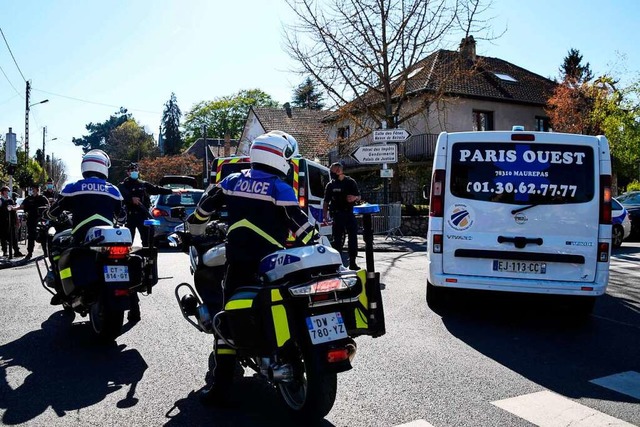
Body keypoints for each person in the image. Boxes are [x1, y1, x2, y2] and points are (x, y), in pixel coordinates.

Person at [187, 130, 316, 406]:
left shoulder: (231, 181)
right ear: (279, 157)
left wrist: (194, 227)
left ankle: (221, 389)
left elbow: (203, 210)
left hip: (238, 263)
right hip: (272, 264)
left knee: (225, 321)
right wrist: (315, 241)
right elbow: (302, 227)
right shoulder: (280, 188)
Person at [47, 150, 125, 305]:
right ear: (104, 167)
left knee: (57, 250)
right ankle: (134, 305)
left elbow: (53, 212)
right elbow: (122, 216)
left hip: (80, 237)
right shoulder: (113, 190)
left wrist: (49, 216)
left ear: (84, 166)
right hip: (108, 239)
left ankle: (63, 292)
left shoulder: (72, 188)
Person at [118, 162, 173, 247]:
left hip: (143, 215)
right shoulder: (123, 185)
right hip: (129, 216)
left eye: (136, 170)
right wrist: (130, 199)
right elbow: (119, 197)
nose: (135, 172)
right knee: (127, 241)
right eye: (132, 170)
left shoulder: (143, 184)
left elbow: (156, 189)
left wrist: (171, 191)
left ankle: (147, 258)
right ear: (128, 172)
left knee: (147, 240)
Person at [323, 162, 361, 270]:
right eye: (331, 171)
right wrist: (324, 215)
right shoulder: (331, 185)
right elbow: (326, 201)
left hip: (349, 213)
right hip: (337, 214)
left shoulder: (350, 182)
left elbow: (358, 196)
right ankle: (338, 264)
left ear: (340, 170)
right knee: (337, 240)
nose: (332, 173)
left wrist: (354, 198)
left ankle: (353, 262)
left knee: (353, 238)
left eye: (333, 170)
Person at [17, 184, 50, 259]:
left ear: (38, 190)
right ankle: (30, 253)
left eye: (34, 189)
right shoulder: (28, 198)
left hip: (41, 220)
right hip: (31, 220)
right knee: (31, 237)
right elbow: (22, 206)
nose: (33, 190)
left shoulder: (42, 198)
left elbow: (48, 207)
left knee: (43, 236)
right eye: (32, 189)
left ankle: (45, 252)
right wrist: (13, 208)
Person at [0, 186, 23, 258]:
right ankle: (5, 251)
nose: (7, 192)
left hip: (11, 221)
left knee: (14, 237)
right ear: (2, 192)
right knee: (3, 237)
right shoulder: (0, 200)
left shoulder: (10, 200)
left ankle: (16, 251)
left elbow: (14, 211)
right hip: (3, 222)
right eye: (6, 191)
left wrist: (17, 220)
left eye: (7, 191)